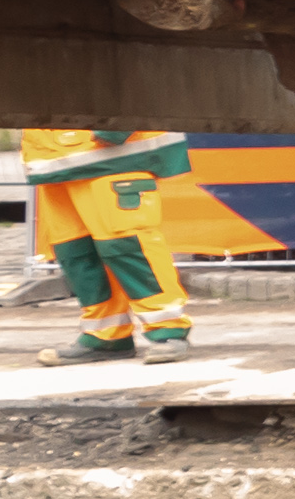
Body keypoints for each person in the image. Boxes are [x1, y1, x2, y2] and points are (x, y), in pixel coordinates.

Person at [22, 128, 196, 365]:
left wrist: (116, 123)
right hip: (55, 161)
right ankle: (107, 334)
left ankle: (168, 329)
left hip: (113, 154)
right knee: (76, 251)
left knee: (129, 245)